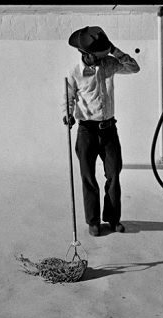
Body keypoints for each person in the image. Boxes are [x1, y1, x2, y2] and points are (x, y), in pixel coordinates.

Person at [63, 26, 140, 237]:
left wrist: (114, 51)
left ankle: (113, 219)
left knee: (114, 174)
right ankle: (93, 221)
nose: (99, 59)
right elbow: (68, 98)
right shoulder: (74, 73)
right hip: (86, 131)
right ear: (86, 54)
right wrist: (67, 114)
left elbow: (134, 68)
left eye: (101, 55)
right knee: (88, 177)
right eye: (97, 55)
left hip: (109, 130)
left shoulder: (108, 64)